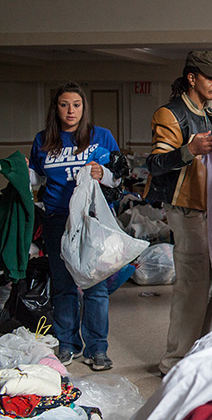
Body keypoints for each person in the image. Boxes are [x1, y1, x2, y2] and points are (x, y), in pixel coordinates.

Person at [28, 82, 126, 371]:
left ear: (84, 108)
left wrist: (104, 173)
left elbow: (119, 178)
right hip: (57, 219)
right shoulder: (43, 140)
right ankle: (67, 345)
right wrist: (23, 172)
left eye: (76, 105)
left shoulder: (101, 137)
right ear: (55, 108)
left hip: (93, 220)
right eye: (64, 104)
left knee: (95, 286)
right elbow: (37, 180)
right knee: (64, 286)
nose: (70, 111)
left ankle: (97, 349)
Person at [143, 50, 212, 376]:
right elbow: (154, 163)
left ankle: (196, 352)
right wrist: (189, 150)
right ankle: (175, 361)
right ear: (192, 78)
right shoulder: (170, 114)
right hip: (187, 209)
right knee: (192, 287)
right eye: (210, 77)